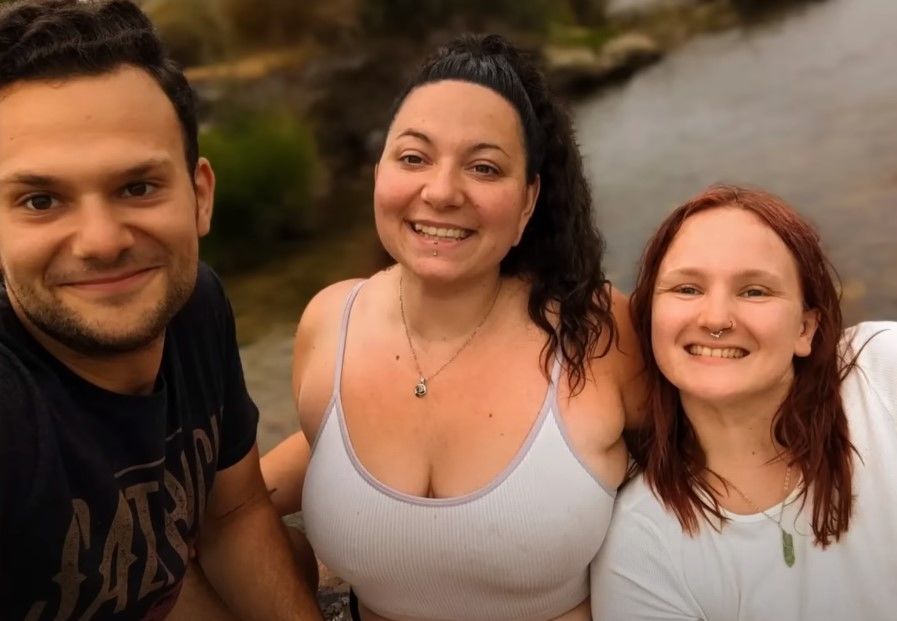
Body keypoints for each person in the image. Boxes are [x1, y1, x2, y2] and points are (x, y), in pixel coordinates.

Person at [261, 33, 644, 621]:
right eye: (413, 158)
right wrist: (213, 509)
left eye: (484, 167)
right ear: (378, 173)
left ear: (528, 200)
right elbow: (324, 443)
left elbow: (699, 464)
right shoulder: (329, 321)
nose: (440, 192)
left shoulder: (595, 331)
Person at [0, 1, 321, 619]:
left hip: (156, 587)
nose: (101, 241)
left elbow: (231, 514)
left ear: (200, 196)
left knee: (296, 557)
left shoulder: (196, 305)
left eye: (137, 187)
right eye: (41, 200)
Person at [591, 185, 897, 620]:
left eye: (754, 291)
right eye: (687, 289)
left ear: (805, 329)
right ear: (651, 319)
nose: (716, 319)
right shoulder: (642, 544)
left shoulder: (881, 374)